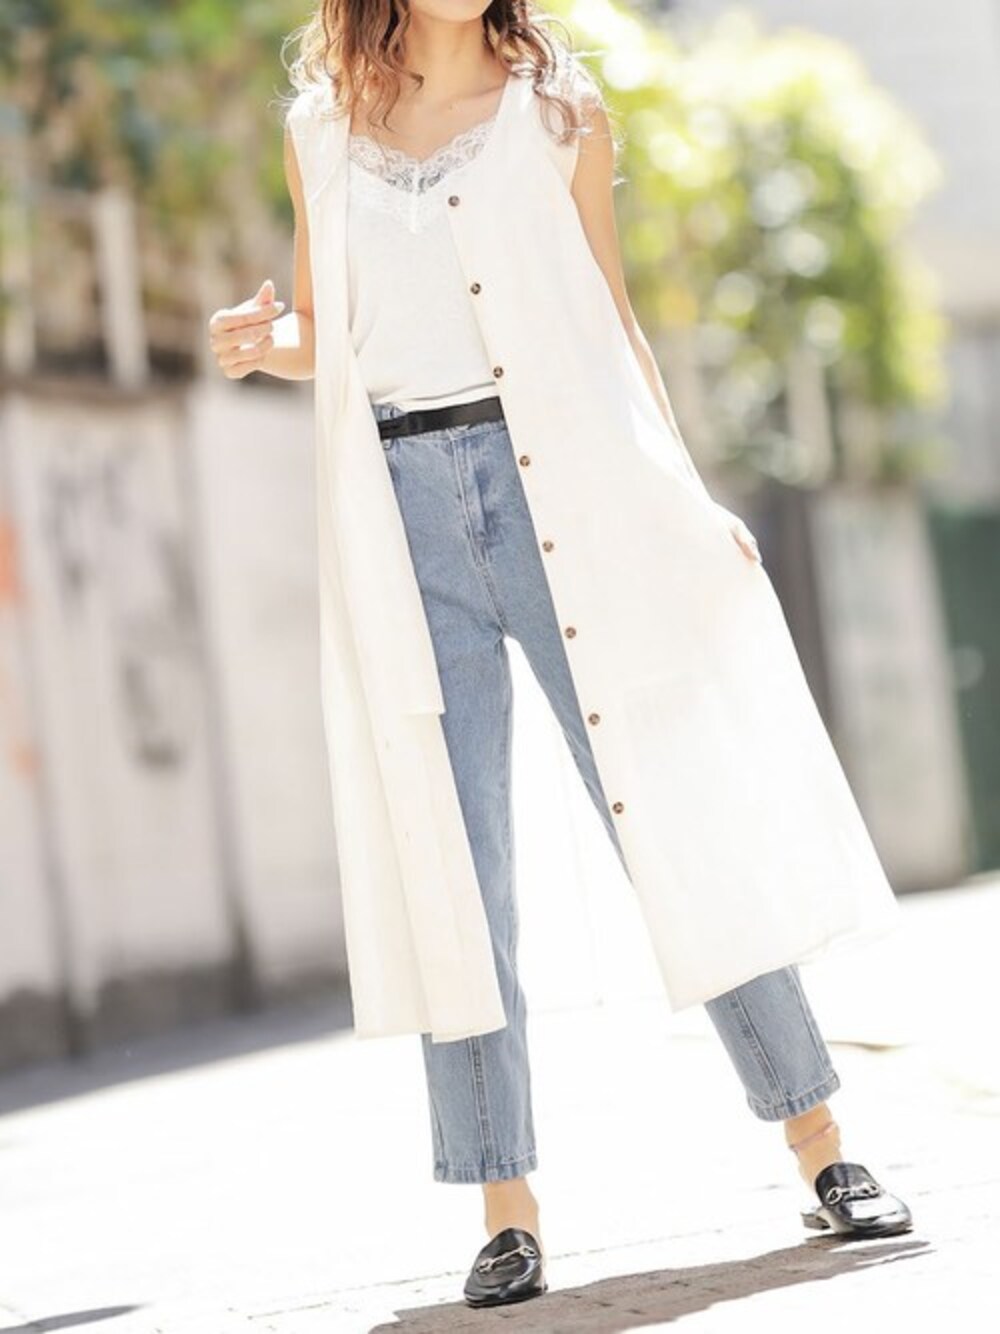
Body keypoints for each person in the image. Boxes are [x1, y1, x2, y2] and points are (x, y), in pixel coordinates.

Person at [208, 0, 913, 1310]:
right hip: (401, 512)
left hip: (564, 493)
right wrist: (263, 345)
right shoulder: (323, 130)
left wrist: (687, 496)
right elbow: (327, 327)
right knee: (456, 865)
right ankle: (506, 1210)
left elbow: (613, 326)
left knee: (670, 815)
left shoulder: (559, 114)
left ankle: (824, 1145)